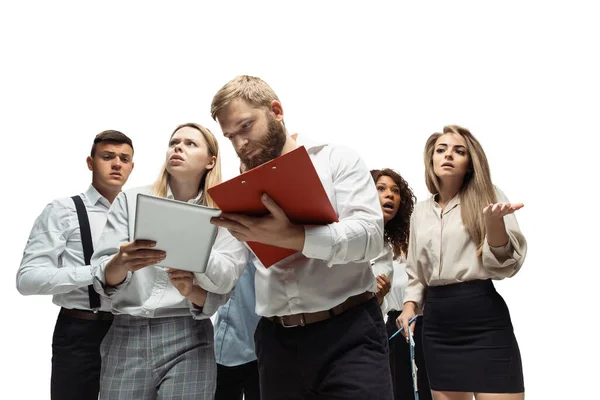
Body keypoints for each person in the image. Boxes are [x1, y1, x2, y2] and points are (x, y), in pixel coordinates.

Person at [210, 75, 393, 400]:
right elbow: (230, 266)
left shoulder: (336, 159)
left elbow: (370, 237)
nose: (239, 144)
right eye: (230, 136)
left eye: (245, 127)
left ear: (276, 111)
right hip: (275, 343)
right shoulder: (239, 188)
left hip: (348, 333)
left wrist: (296, 237)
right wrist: (192, 270)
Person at [90, 123, 247, 400]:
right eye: (174, 142)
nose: (178, 147)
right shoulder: (131, 199)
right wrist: (121, 261)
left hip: (188, 333)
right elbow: (102, 276)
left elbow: (226, 279)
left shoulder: (226, 213)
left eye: (190, 144)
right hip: (127, 332)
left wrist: (193, 248)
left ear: (210, 161)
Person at [398, 125, 527, 400]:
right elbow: (416, 274)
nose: (448, 155)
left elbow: (506, 266)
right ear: (431, 159)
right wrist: (409, 307)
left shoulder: (489, 196)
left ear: (470, 163)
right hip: (437, 326)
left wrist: (494, 226)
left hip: (484, 319)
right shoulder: (420, 211)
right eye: (441, 150)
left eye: (459, 151)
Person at [16, 130, 135, 400]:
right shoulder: (62, 210)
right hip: (80, 332)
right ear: (90, 162)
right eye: (107, 157)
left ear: (131, 166)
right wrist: (98, 272)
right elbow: (28, 279)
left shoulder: (139, 214)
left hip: (130, 330)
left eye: (124, 159)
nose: (117, 163)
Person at [370, 168, 432, 400]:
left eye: (396, 191)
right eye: (381, 189)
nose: (390, 195)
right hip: (393, 325)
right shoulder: (371, 244)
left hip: (426, 322)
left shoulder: (414, 237)